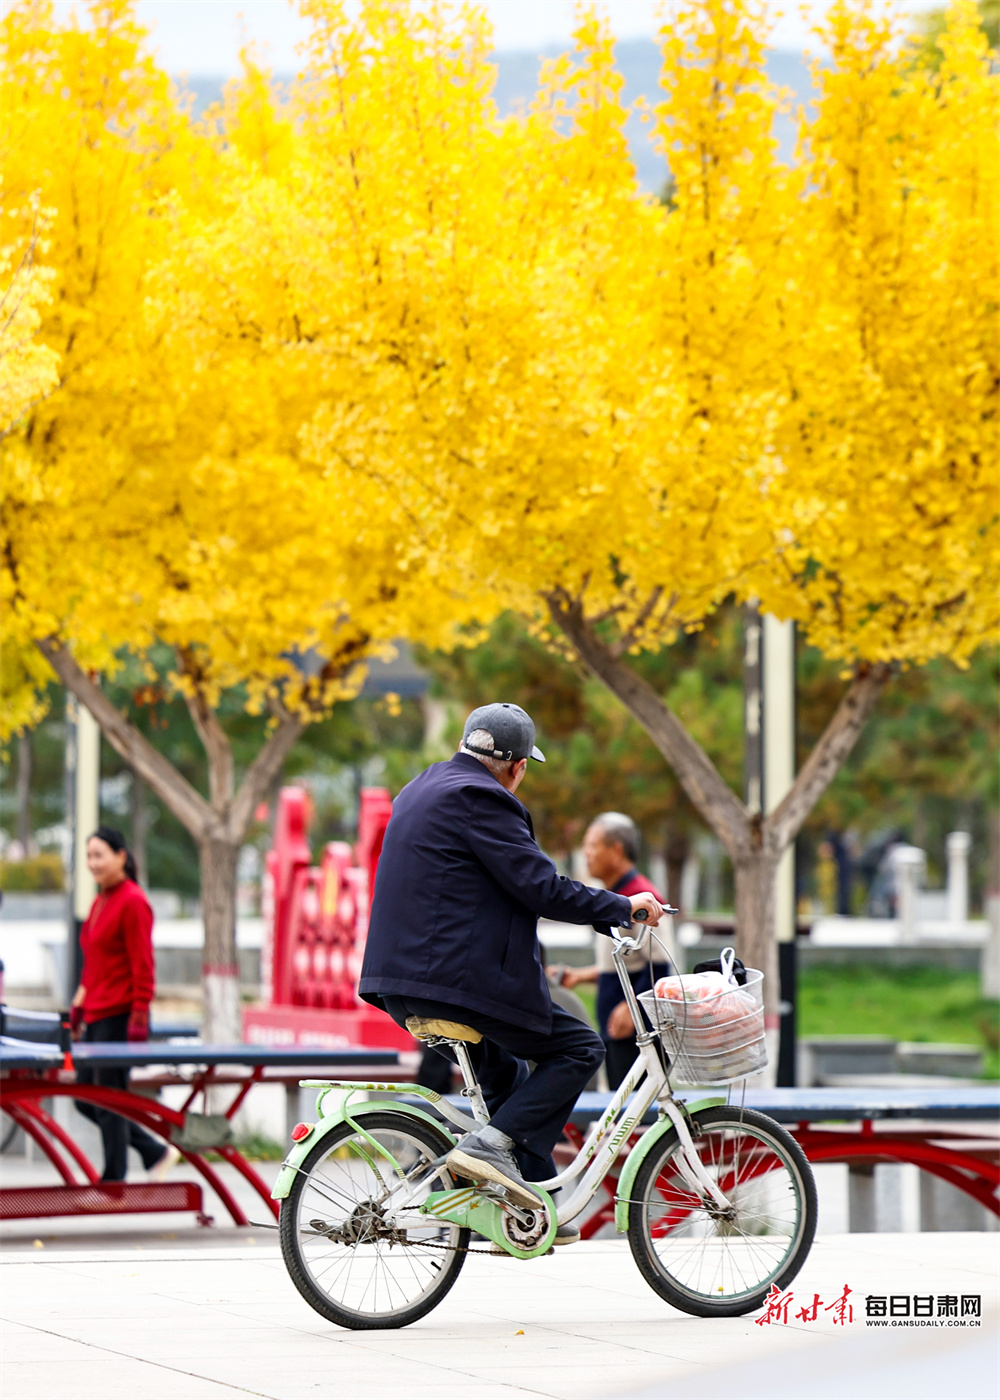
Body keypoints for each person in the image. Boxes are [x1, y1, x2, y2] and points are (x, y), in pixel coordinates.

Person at [359, 703, 665, 1239]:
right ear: (518, 766)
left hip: (400, 983)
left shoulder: (420, 789)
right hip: (456, 982)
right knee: (579, 1048)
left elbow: (491, 885)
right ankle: (485, 1152)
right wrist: (622, 907)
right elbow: (540, 887)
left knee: (509, 1081)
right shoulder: (485, 798)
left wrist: (600, 916)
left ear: (464, 745)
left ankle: (534, 1207)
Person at [70, 826, 179, 1183]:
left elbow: (143, 967)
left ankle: (114, 1182)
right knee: (86, 1097)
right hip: (96, 1014)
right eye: (89, 856)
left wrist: (139, 1018)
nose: (93, 863)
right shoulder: (100, 900)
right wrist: (78, 1007)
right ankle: (154, 1152)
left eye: (99, 855)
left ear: (121, 856)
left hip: (119, 1015)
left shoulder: (133, 901)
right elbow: (93, 965)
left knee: (109, 1099)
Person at [560, 813, 671, 1089]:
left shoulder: (642, 899)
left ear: (616, 850)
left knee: (638, 1107)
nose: (586, 853)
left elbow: (660, 966)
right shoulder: (616, 898)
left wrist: (631, 1007)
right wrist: (581, 976)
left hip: (637, 1032)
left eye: (592, 844)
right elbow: (628, 962)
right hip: (618, 1029)